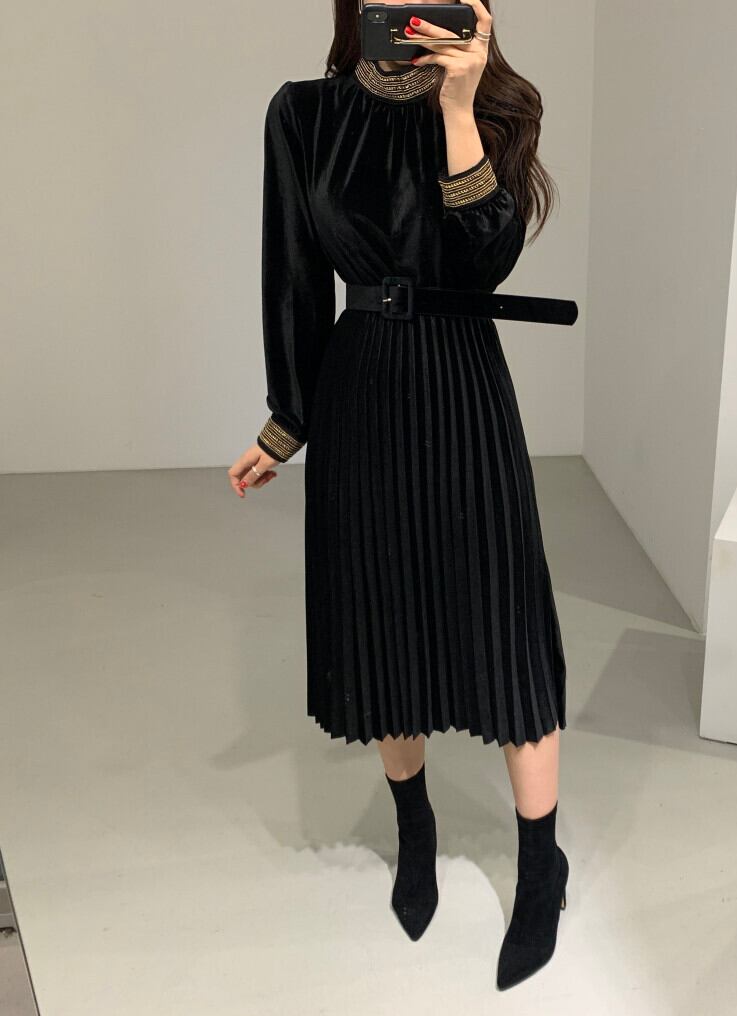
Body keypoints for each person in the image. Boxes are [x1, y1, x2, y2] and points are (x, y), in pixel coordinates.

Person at [227, 0, 569, 991]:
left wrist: (460, 107)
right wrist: (286, 421)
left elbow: (487, 259)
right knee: (384, 623)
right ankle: (413, 829)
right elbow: (293, 275)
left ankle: (540, 864)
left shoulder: (500, 103)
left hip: (463, 383)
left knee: (503, 625)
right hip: (363, 389)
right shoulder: (304, 114)